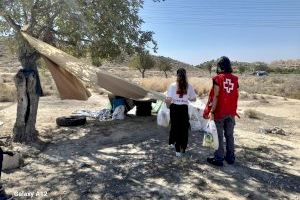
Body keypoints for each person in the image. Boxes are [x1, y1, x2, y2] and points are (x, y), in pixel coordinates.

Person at [203, 56, 239, 166]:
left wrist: (212, 111)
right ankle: (230, 157)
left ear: (220, 66)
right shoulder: (235, 79)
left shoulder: (218, 79)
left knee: (218, 136)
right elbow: (236, 95)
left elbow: (216, 96)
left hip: (220, 112)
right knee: (229, 135)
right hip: (231, 112)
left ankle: (218, 159)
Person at [165, 68, 196, 157]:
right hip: (184, 108)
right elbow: (194, 99)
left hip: (174, 108)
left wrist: (167, 104)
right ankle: (183, 148)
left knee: (175, 127)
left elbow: (168, 99)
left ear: (177, 75)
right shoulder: (189, 86)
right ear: (185, 75)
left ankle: (176, 149)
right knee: (184, 129)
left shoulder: (172, 85)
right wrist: (187, 98)